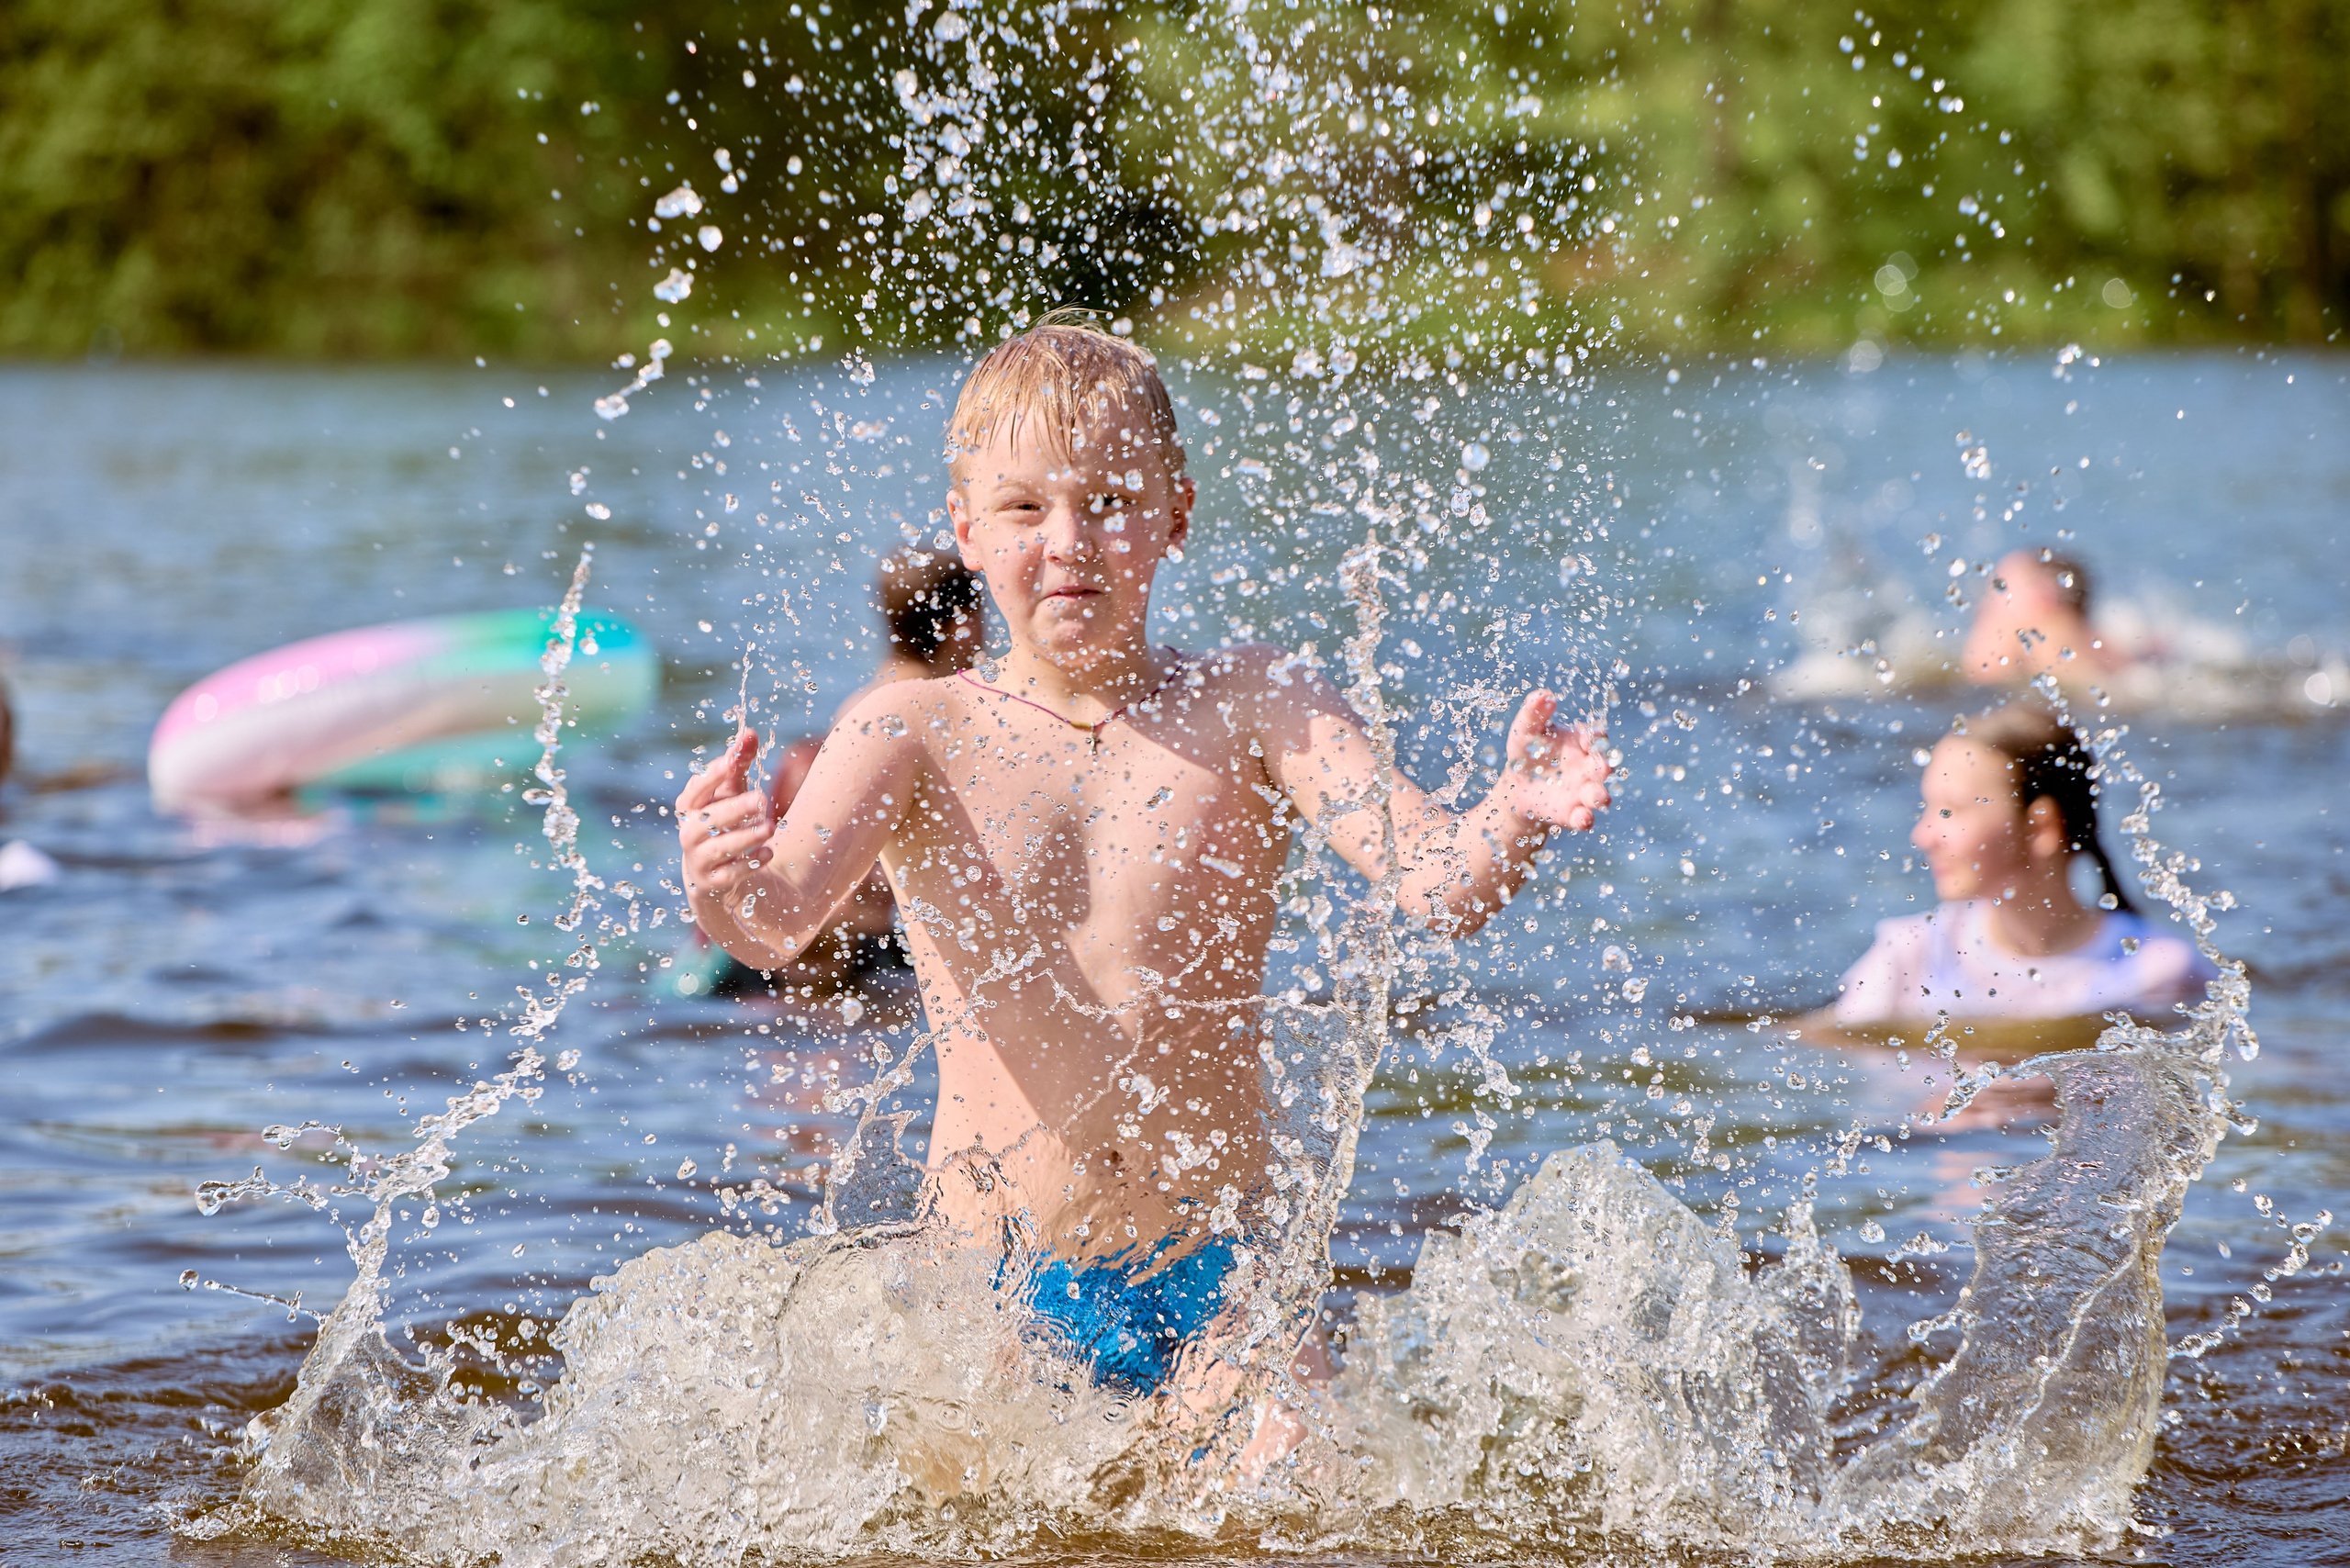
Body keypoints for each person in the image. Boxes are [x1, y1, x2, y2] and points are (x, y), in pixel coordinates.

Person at [675, 319, 1611, 1429]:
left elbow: (1440, 885)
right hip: (993, 1280)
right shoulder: (908, 729)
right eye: (1025, 508)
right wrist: (718, 880)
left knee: (1293, 1482)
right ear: (967, 529)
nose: (1069, 540)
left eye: (1111, 501)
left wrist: (1512, 812)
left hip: (1220, 1275)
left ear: (1177, 513)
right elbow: (772, 927)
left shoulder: (1254, 703)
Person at [703, 549, 987, 999]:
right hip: (829, 915)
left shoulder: (864, 702)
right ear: (962, 625)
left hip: (797, 907)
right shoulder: (928, 710)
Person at [1829, 701, 2211, 1030]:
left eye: (1950, 811)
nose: (1923, 836)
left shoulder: (2157, 974)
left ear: (2041, 827)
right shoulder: (1908, 957)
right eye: (1928, 808)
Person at [1960, 549, 2124, 689]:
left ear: (2044, 599)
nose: (1981, 607)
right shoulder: (2106, 650)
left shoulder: (2044, 635)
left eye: (1996, 590)